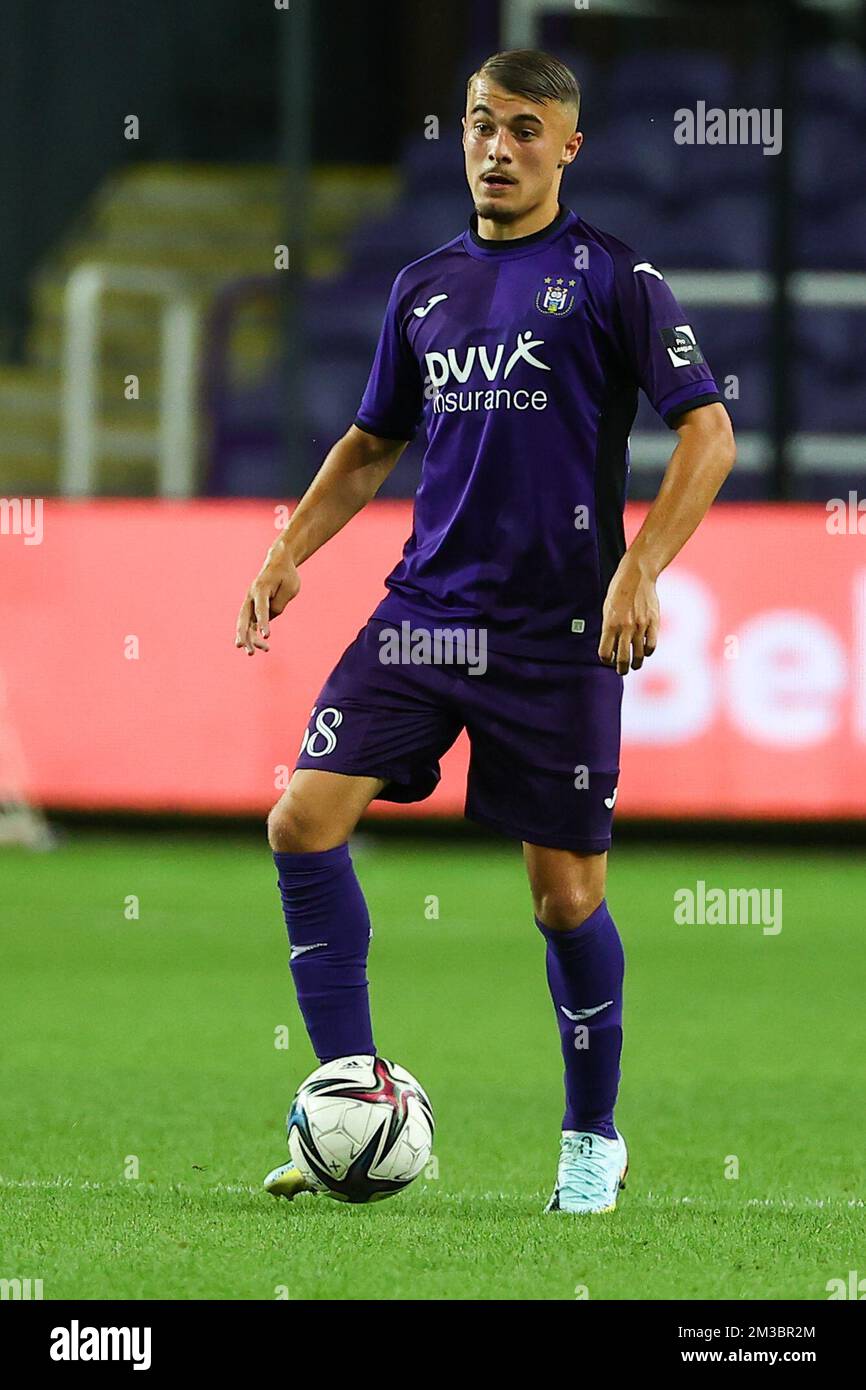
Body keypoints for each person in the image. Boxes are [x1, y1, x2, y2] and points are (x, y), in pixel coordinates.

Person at [236, 48, 735, 1213]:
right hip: (425, 614)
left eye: (522, 128)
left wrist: (638, 567)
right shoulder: (422, 286)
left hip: (557, 631)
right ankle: (351, 1094)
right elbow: (369, 445)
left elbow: (705, 435)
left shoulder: (614, 279)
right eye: (477, 124)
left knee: (563, 897)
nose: (495, 147)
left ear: (566, 146)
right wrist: (286, 550)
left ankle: (590, 1139)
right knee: (301, 818)